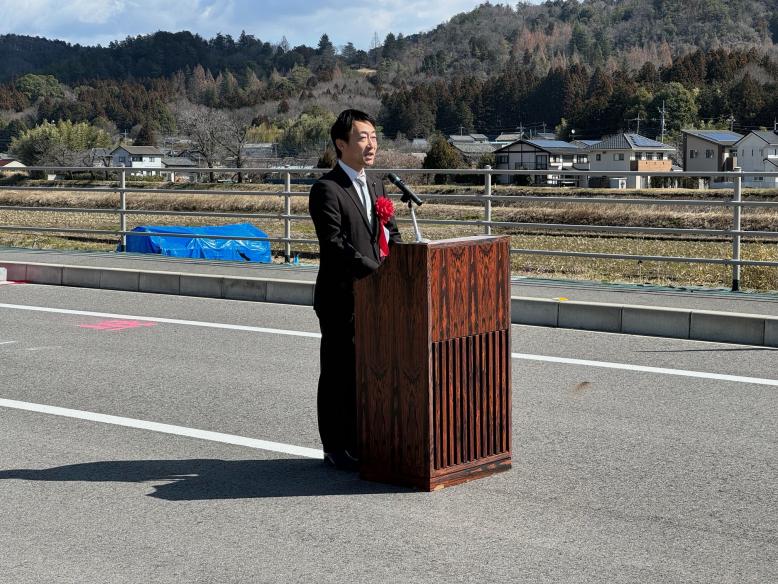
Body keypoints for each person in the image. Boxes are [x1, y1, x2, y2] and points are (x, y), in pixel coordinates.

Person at [309, 109, 402, 471]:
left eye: (374, 137)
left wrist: (398, 265)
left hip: (376, 295)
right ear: (341, 144)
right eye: (363, 137)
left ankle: (363, 436)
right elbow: (334, 244)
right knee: (338, 370)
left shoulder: (377, 184)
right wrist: (374, 270)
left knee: (369, 369)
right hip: (340, 296)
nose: (371, 144)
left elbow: (390, 233)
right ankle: (335, 445)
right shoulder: (326, 189)